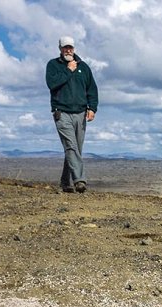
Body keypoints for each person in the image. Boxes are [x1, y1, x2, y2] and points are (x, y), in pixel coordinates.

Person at [45, 36, 98, 194]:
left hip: (81, 114)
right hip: (62, 113)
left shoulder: (84, 67)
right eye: (65, 47)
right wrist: (68, 70)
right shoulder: (53, 65)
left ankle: (65, 182)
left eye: (70, 47)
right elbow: (52, 84)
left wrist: (92, 108)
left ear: (74, 48)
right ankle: (79, 181)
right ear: (60, 48)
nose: (68, 50)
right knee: (71, 146)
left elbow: (92, 89)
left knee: (75, 149)